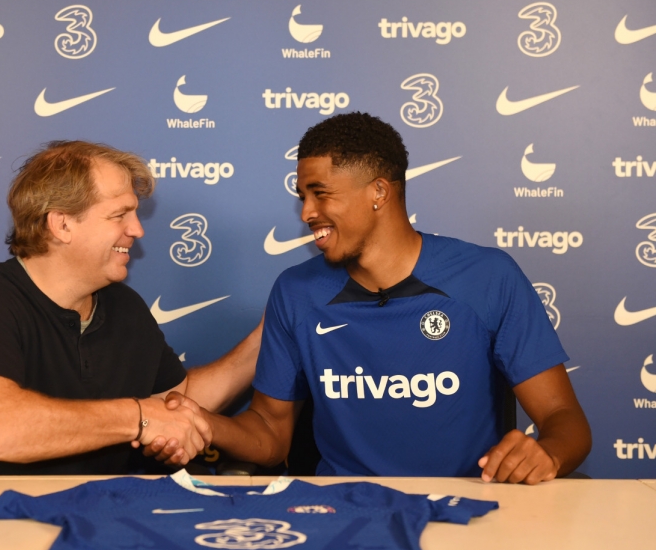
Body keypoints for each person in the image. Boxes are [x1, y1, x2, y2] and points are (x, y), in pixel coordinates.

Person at [157, 112, 591, 484]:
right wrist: (206, 424)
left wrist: (547, 453)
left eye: (320, 193)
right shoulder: (296, 291)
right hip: (340, 515)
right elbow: (270, 431)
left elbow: (563, 418)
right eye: (303, 197)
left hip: (465, 510)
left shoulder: (488, 277)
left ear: (379, 192)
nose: (306, 213)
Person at [0, 140, 260, 475]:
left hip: (98, 508)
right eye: (119, 215)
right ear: (62, 225)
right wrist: (138, 417)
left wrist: (270, 332)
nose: (137, 230)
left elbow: (177, 401)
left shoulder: (124, 306)